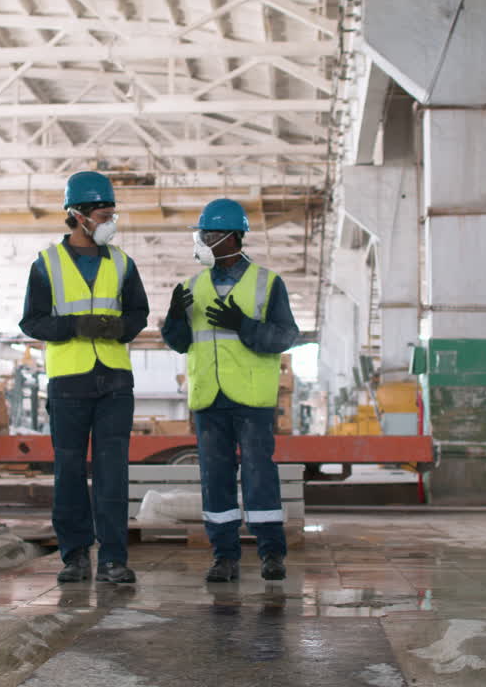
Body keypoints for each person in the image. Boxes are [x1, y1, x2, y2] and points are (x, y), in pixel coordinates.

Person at [19, 171, 149, 584]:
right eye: (104, 214)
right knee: (69, 472)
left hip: (114, 383)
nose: (110, 222)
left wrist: (118, 328)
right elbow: (32, 321)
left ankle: (113, 558)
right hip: (69, 383)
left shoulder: (124, 263)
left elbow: (137, 314)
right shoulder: (47, 264)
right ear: (78, 215)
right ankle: (75, 556)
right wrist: (75, 325)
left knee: (113, 472)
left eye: (112, 214)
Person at [161, 198, 299, 582]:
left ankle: (272, 553)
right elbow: (180, 342)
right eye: (201, 234)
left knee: (258, 472)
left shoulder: (268, 283)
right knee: (214, 476)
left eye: (210, 234)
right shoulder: (190, 287)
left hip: (252, 398)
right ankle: (224, 556)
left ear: (234, 237)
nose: (203, 240)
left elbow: (286, 336)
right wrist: (172, 317)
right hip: (208, 397)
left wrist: (244, 325)